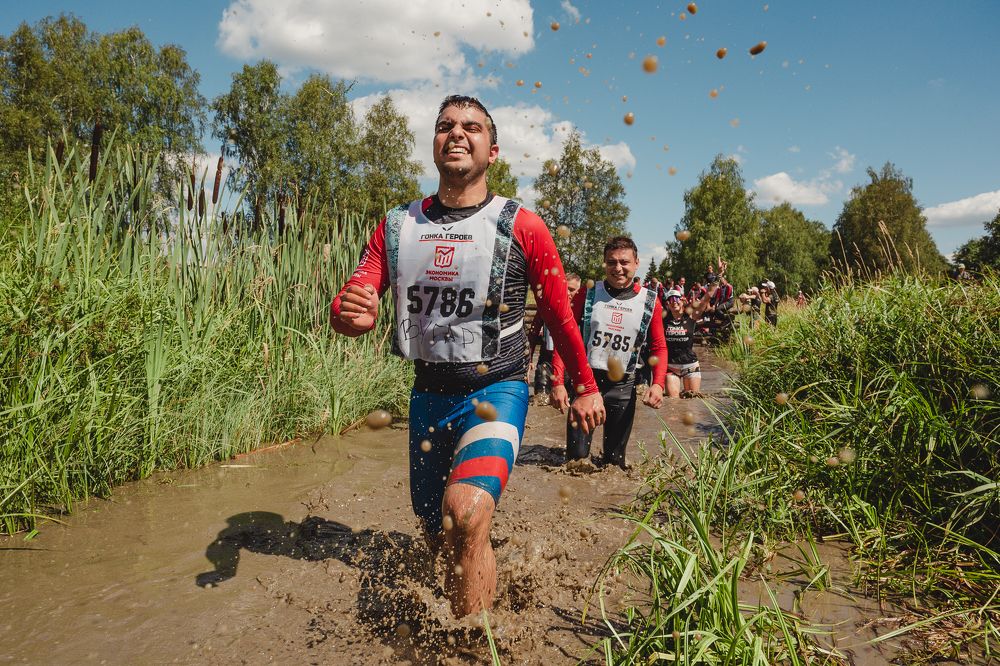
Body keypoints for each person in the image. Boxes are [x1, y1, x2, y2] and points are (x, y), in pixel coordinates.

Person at [330, 95, 605, 616]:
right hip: (428, 396)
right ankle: (464, 589)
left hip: (495, 391)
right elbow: (354, 302)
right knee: (435, 532)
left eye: (471, 127)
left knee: (466, 512)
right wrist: (348, 315)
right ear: (434, 144)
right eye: (445, 126)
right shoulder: (396, 226)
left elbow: (560, 315)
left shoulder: (523, 225)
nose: (457, 133)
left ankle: (474, 643)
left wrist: (586, 385)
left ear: (492, 150)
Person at [550, 237, 668, 469]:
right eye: (611, 262)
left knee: (615, 465)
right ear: (604, 264)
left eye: (624, 262)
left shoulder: (650, 301)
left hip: (623, 389)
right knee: (576, 464)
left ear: (636, 263)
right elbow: (566, 339)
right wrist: (558, 381)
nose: (618, 268)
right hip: (586, 384)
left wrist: (658, 384)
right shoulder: (589, 294)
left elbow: (659, 347)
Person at [527, 273, 581, 405]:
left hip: (568, 364)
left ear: (579, 292)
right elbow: (533, 334)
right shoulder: (546, 306)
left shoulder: (581, 311)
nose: (568, 293)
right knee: (541, 401)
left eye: (572, 290)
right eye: (565, 288)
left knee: (565, 403)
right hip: (546, 361)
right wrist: (528, 360)